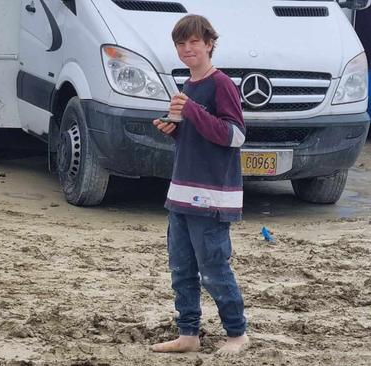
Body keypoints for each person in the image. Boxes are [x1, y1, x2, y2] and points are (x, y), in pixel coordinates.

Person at [150, 14, 249, 356]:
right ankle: (188, 333)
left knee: (214, 268)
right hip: (180, 193)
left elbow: (234, 136)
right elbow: (199, 138)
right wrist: (175, 129)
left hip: (211, 196)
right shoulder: (188, 87)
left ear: (209, 44)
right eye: (181, 43)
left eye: (194, 41)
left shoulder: (221, 84)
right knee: (181, 268)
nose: (187, 48)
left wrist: (191, 111)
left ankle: (237, 334)